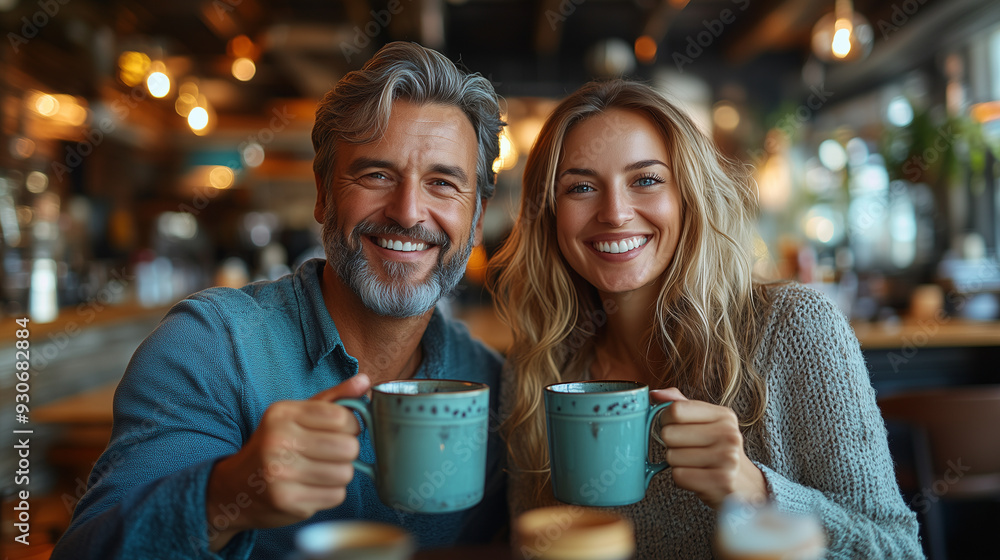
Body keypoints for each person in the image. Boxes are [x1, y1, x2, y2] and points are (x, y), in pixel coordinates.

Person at [52, 41, 507, 559]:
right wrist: (225, 496)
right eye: (376, 174)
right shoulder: (209, 350)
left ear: (476, 218)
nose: (407, 212)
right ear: (322, 193)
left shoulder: (494, 384)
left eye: (442, 182)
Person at [488, 80, 924, 559]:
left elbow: (897, 550)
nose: (614, 213)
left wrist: (755, 488)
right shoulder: (535, 371)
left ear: (688, 194)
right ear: (550, 212)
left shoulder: (794, 328)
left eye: (646, 179)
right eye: (582, 187)